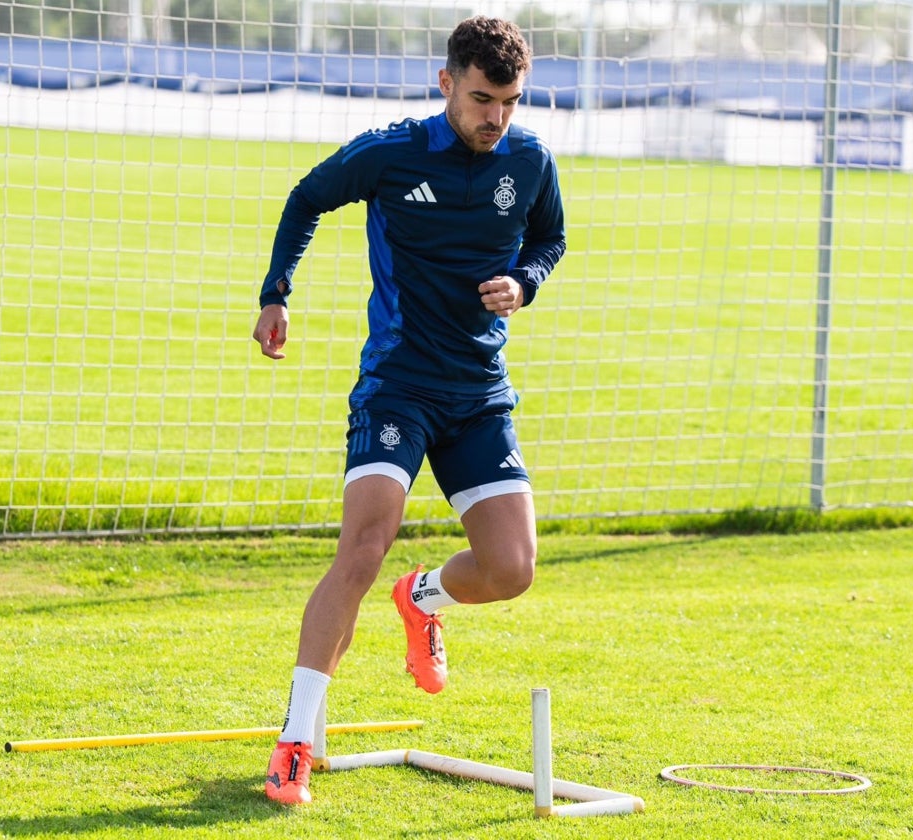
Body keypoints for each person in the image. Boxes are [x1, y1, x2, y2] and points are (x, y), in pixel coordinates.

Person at [252, 15, 566, 806]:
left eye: (511, 102)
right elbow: (306, 198)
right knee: (362, 545)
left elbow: (550, 237)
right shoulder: (391, 152)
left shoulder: (528, 159)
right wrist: (275, 293)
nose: (497, 118)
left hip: (479, 390)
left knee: (511, 570)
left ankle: (420, 597)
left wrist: (524, 282)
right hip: (398, 382)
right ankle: (293, 742)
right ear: (446, 85)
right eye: (483, 99)